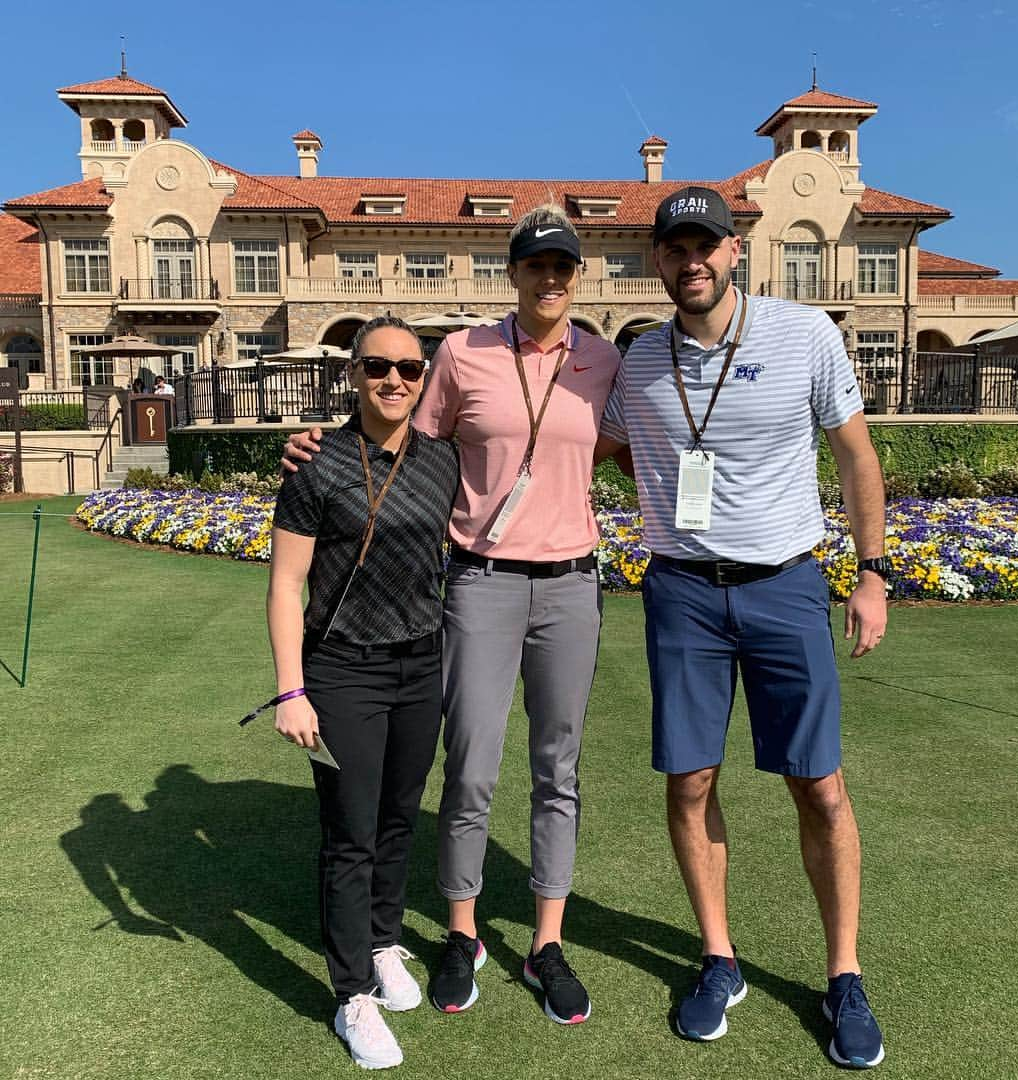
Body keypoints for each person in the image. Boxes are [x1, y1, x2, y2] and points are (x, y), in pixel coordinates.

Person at [283, 204, 621, 1025]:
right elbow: (396, 436)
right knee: (469, 765)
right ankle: (462, 932)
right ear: (513, 272)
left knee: (558, 770)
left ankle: (547, 942)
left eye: (563, 267)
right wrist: (314, 447)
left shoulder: (605, 359)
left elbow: (617, 443)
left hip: (572, 584)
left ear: (578, 275)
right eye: (535, 265)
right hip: (481, 581)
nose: (550, 278)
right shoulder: (464, 353)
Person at [594, 187, 889, 1069]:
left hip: (787, 586)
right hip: (681, 592)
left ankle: (844, 976)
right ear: (657, 259)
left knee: (821, 787)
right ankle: (719, 958)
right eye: (675, 247)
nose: (692, 260)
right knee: (689, 784)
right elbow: (589, 442)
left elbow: (856, 455)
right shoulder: (640, 360)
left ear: (735, 251)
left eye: (706, 245)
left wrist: (871, 575)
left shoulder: (806, 335)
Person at [267, 315, 458, 1069]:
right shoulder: (315, 463)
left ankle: (382, 942)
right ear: (354, 372)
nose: (393, 381)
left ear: (424, 378)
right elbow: (286, 586)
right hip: (342, 667)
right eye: (378, 366)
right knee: (350, 833)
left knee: (399, 817)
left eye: (410, 369)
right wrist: (291, 689)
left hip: (421, 663)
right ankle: (351, 992)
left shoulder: (442, 459)